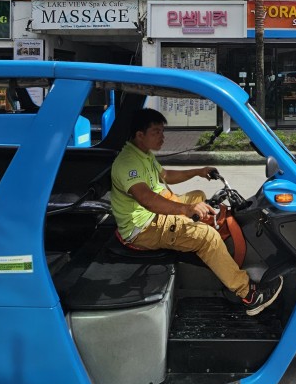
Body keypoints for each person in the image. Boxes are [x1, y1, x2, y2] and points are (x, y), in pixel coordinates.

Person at [110, 108, 283, 316]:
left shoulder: (143, 154)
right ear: (140, 135)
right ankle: (249, 294)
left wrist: (198, 172)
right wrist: (185, 209)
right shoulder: (128, 162)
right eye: (157, 132)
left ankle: (211, 252)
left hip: (155, 213)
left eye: (163, 131)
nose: (162, 137)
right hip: (143, 227)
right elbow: (146, 200)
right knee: (207, 236)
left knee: (199, 195)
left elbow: (166, 175)